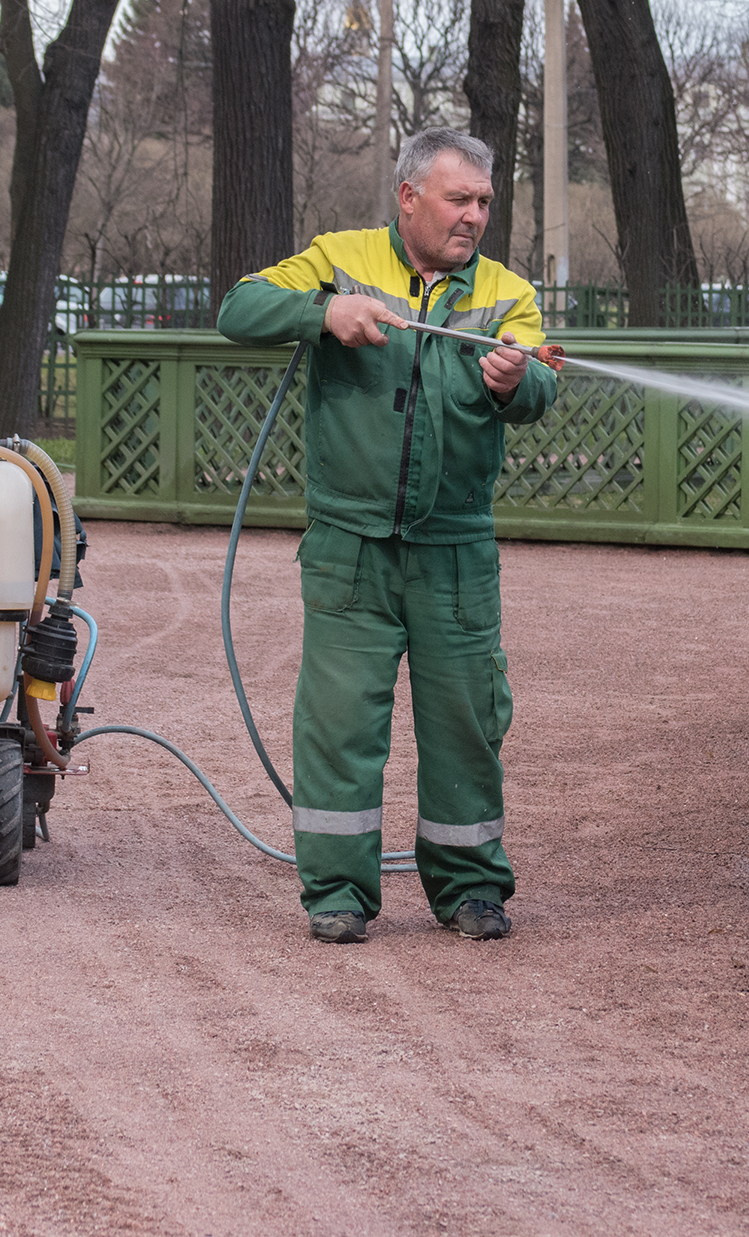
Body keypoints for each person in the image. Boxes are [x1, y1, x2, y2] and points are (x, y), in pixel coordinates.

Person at [216, 127, 557, 944]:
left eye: (483, 201)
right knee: (338, 727)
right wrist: (323, 311)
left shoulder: (506, 292)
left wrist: (518, 382)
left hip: (456, 553)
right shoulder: (340, 257)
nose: (474, 216)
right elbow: (238, 309)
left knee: (468, 725)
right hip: (349, 550)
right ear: (408, 198)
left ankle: (472, 889)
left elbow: (542, 378)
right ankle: (336, 894)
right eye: (458, 199)